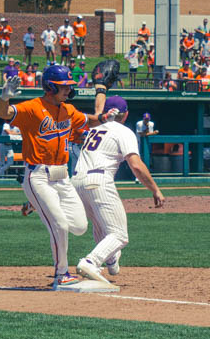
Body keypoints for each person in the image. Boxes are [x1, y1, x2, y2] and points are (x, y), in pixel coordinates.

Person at [0, 64, 107, 289]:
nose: (68, 90)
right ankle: (61, 274)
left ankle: (35, 203)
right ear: (49, 87)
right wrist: (4, 97)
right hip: (38, 175)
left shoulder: (68, 110)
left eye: (69, 86)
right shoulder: (32, 108)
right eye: (63, 86)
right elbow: (4, 114)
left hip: (61, 177)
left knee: (79, 226)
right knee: (59, 225)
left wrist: (105, 117)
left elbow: (89, 120)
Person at [71, 95, 165, 285]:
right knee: (119, 234)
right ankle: (91, 261)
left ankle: (111, 260)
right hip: (99, 178)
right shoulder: (124, 131)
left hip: (77, 181)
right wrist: (155, 189)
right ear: (126, 114)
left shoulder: (94, 128)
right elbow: (136, 165)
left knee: (102, 229)